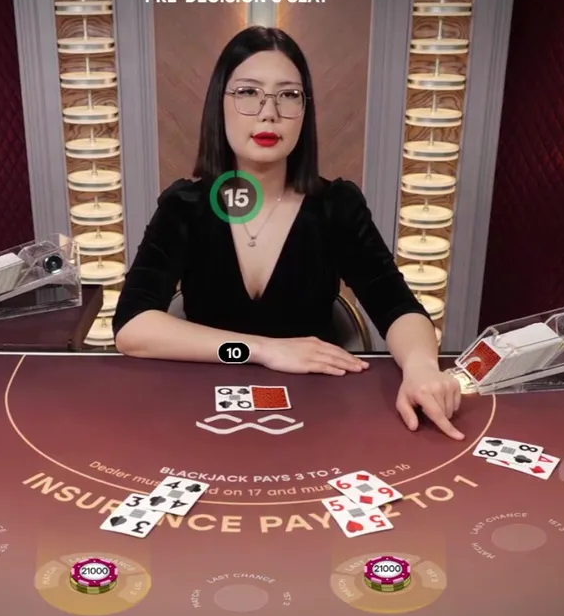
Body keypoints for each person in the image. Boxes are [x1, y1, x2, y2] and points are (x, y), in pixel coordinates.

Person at [112, 26, 464, 439]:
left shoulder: (336, 206)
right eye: (248, 92)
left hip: (319, 415)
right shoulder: (185, 206)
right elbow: (132, 327)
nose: (269, 113)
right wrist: (261, 350)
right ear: (218, 105)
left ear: (305, 110)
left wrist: (422, 367)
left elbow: (397, 306)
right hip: (199, 407)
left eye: (288, 95)